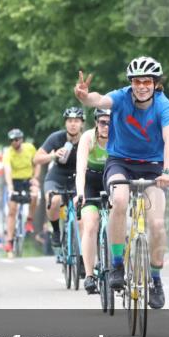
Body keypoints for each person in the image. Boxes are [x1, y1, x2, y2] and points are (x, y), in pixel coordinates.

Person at [74, 56, 169, 310]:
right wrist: (85, 97)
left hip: (153, 166)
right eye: (137, 81)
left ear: (155, 83)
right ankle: (118, 265)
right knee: (119, 201)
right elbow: (99, 100)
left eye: (147, 81)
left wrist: (168, 171)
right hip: (120, 161)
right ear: (131, 83)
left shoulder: (164, 106)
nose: (142, 86)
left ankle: (155, 280)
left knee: (157, 224)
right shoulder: (121, 97)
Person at [34, 108, 86, 261]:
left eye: (76, 121)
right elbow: (37, 158)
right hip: (56, 177)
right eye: (69, 121)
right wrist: (52, 155)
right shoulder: (56, 138)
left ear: (82, 124)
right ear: (65, 123)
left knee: (82, 218)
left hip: (78, 179)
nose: (73, 124)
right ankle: (56, 231)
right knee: (54, 200)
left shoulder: (87, 139)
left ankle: (83, 258)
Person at [75, 108, 111, 294]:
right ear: (96, 122)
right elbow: (80, 169)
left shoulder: (120, 137)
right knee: (90, 225)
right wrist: (80, 193)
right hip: (90, 182)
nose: (106, 126)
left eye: (110, 122)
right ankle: (89, 275)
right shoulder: (88, 138)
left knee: (120, 223)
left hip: (111, 180)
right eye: (102, 122)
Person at [2, 128, 39, 258]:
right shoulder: (8, 153)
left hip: (28, 179)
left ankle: (29, 219)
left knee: (35, 194)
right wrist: (10, 187)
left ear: (21, 139)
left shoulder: (29, 148)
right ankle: (9, 243)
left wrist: (35, 178)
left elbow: (37, 163)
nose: (14, 142)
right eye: (11, 140)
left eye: (16, 139)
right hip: (15, 181)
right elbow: (7, 170)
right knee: (12, 210)